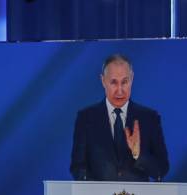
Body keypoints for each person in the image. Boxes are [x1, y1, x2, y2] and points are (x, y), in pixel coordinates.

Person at [70, 54, 169, 182]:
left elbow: (161, 170)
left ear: (132, 79)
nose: (120, 90)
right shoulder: (86, 118)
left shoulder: (149, 119)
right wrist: (96, 189)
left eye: (124, 82)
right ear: (103, 81)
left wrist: (138, 154)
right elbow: (77, 167)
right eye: (113, 82)